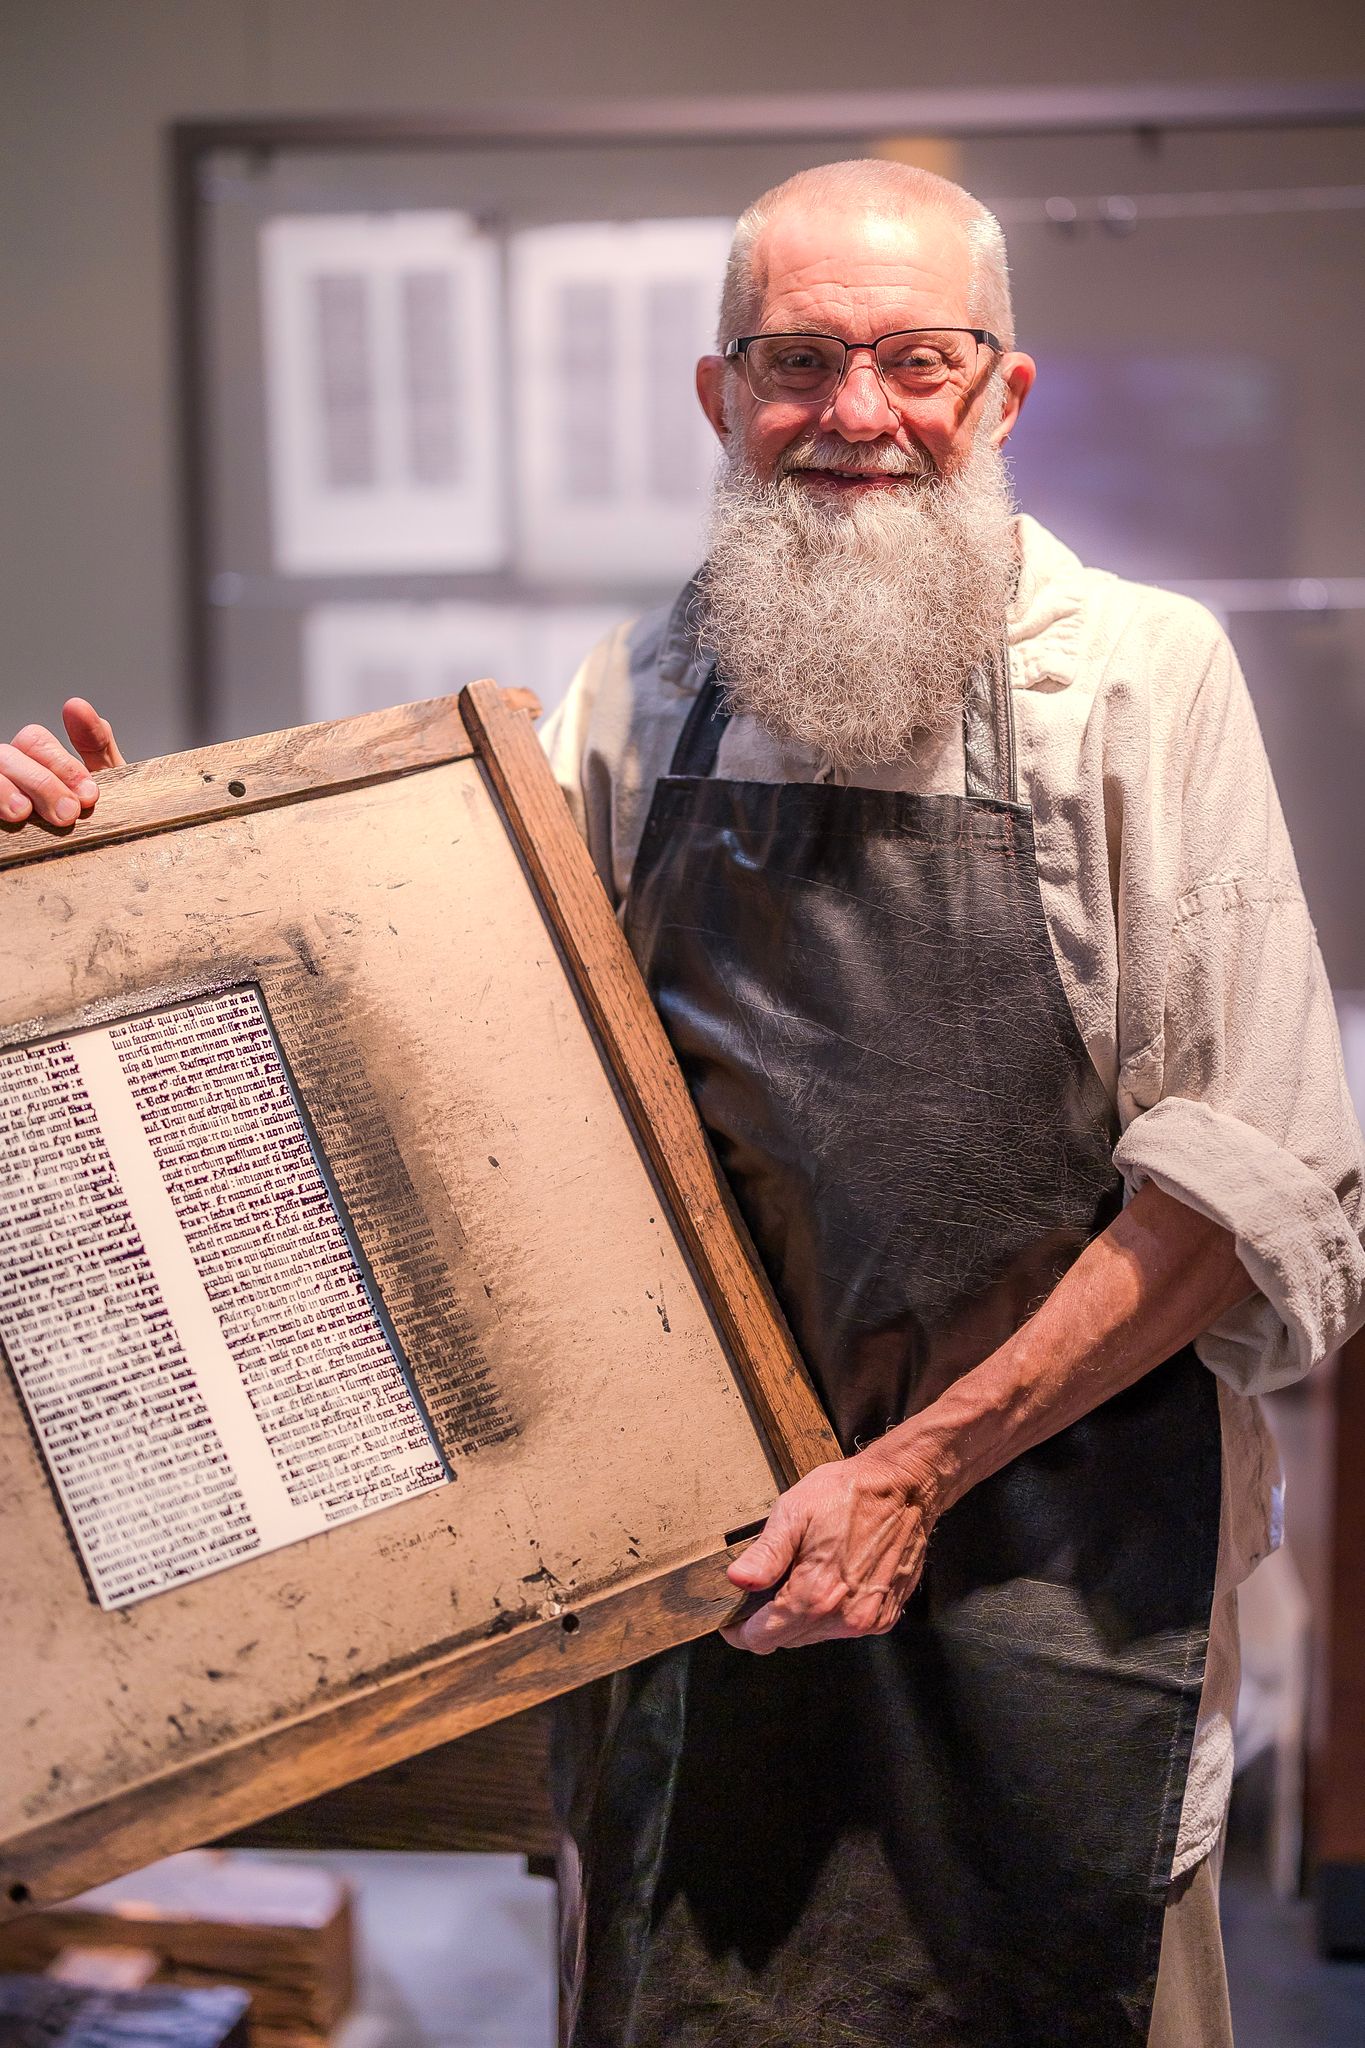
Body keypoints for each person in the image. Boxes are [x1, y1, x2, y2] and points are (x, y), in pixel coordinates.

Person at [6, 159, 1363, 2048]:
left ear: (1003, 394)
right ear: (721, 397)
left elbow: (1248, 1173)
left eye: (913, 361)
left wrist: (910, 1473)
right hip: (702, 1568)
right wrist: (107, 862)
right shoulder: (637, 701)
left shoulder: (1134, 681)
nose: (856, 417)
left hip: (1052, 1553)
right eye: (798, 362)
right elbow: (410, 1038)